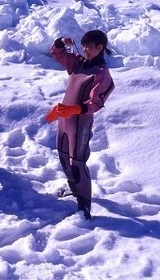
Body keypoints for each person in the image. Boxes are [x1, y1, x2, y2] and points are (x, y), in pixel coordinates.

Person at [47, 30, 115, 220]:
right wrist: (62, 41)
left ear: (100, 48)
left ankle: (84, 205)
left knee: (77, 161)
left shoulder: (101, 74)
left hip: (80, 122)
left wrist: (75, 110)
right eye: (84, 45)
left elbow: (95, 103)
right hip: (64, 118)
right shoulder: (78, 63)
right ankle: (74, 188)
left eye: (90, 46)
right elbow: (57, 53)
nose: (85, 49)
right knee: (63, 155)